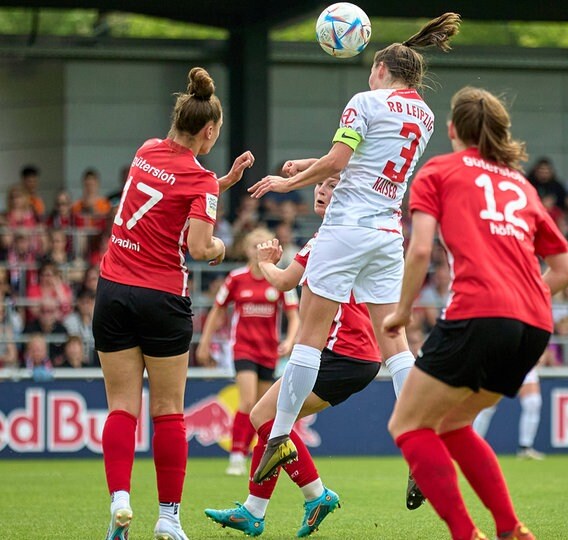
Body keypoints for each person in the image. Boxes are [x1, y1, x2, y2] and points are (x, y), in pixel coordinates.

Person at [246, 14, 461, 484]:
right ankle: (421, 443)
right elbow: (366, 161)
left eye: (372, 70)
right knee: (396, 345)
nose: (368, 76)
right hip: (387, 234)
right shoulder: (424, 116)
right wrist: (310, 163)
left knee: (310, 336)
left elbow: (340, 161)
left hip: (344, 229)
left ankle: (279, 437)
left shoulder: (364, 100)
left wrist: (289, 182)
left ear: (381, 69)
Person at [382, 86, 568, 540]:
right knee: (453, 423)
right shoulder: (521, 184)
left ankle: (466, 535)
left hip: (479, 313)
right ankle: (511, 528)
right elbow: (567, 271)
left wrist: (402, 311)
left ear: (452, 129)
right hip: (533, 323)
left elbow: (420, 251)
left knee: (407, 424)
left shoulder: (438, 171)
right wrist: (519, 298)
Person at [93, 67, 254, 540]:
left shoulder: (146, 152)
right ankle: (168, 518)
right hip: (162, 297)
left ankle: (120, 500)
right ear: (208, 130)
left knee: (122, 406)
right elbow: (202, 247)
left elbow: (171, 191)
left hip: (113, 289)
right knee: (168, 410)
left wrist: (221, 182)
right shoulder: (198, 180)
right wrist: (226, 248)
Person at [205, 177, 411, 537]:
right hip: (356, 355)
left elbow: (284, 281)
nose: (321, 190)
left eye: (331, 186)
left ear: (347, 195)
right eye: (320, 185)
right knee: (267, 417)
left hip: (340, 353)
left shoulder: (329, 240)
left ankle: (310, 495)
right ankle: (262, 508)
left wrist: (265, 261)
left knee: (264, 415)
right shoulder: (360, 237)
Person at [196, 227, 301, 476]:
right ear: (247, 250)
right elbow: (218, 311)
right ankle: (236, 455)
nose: (259, 251)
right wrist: (204, 342)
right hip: (243, 348)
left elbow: (293, 315)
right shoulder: (236, 278)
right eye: (255, 247)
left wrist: (290, 340)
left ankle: (260, 453)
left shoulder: (279, 278)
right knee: (246, 400)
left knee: (262, 409)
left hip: (269, 350)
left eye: (264, 246)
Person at [472, 366, 547, 461]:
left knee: (533, 402)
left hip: (523, 360)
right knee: (487, 406)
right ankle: (472, 447)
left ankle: (525, 447)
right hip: (500, 359)